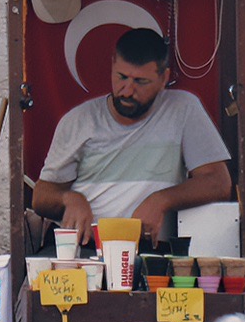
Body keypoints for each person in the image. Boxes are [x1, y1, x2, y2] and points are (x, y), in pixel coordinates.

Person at [31, 27, 232, 245]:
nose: (127, 91)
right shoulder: (79, 120)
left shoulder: (183, 109)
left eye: (140, 82)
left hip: (151, 249)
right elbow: (41, 197)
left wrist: (161, 200)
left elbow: (218, 183)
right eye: (122, 77)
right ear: (112, 66)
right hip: (86, 248)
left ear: (163, 78)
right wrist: (70, 198)